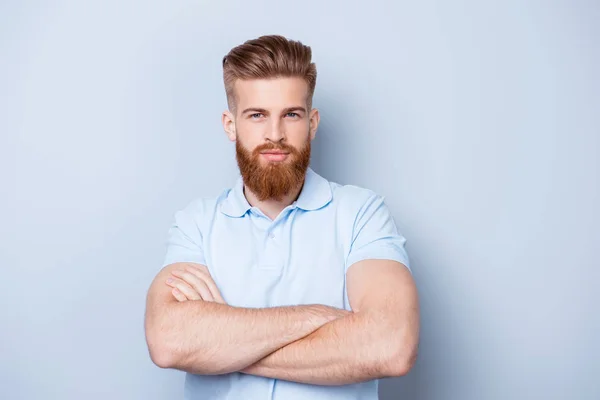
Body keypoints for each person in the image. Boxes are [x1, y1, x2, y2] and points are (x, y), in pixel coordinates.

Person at [144, 34, 419, 400]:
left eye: (291, 114)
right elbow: (168, 341)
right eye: (257, 115)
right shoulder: (196, 224)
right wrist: (315, 319)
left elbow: (390, 345)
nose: (275, 135)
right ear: (230, 125)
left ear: (312, 122)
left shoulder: (362, 214)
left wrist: (223, 345)